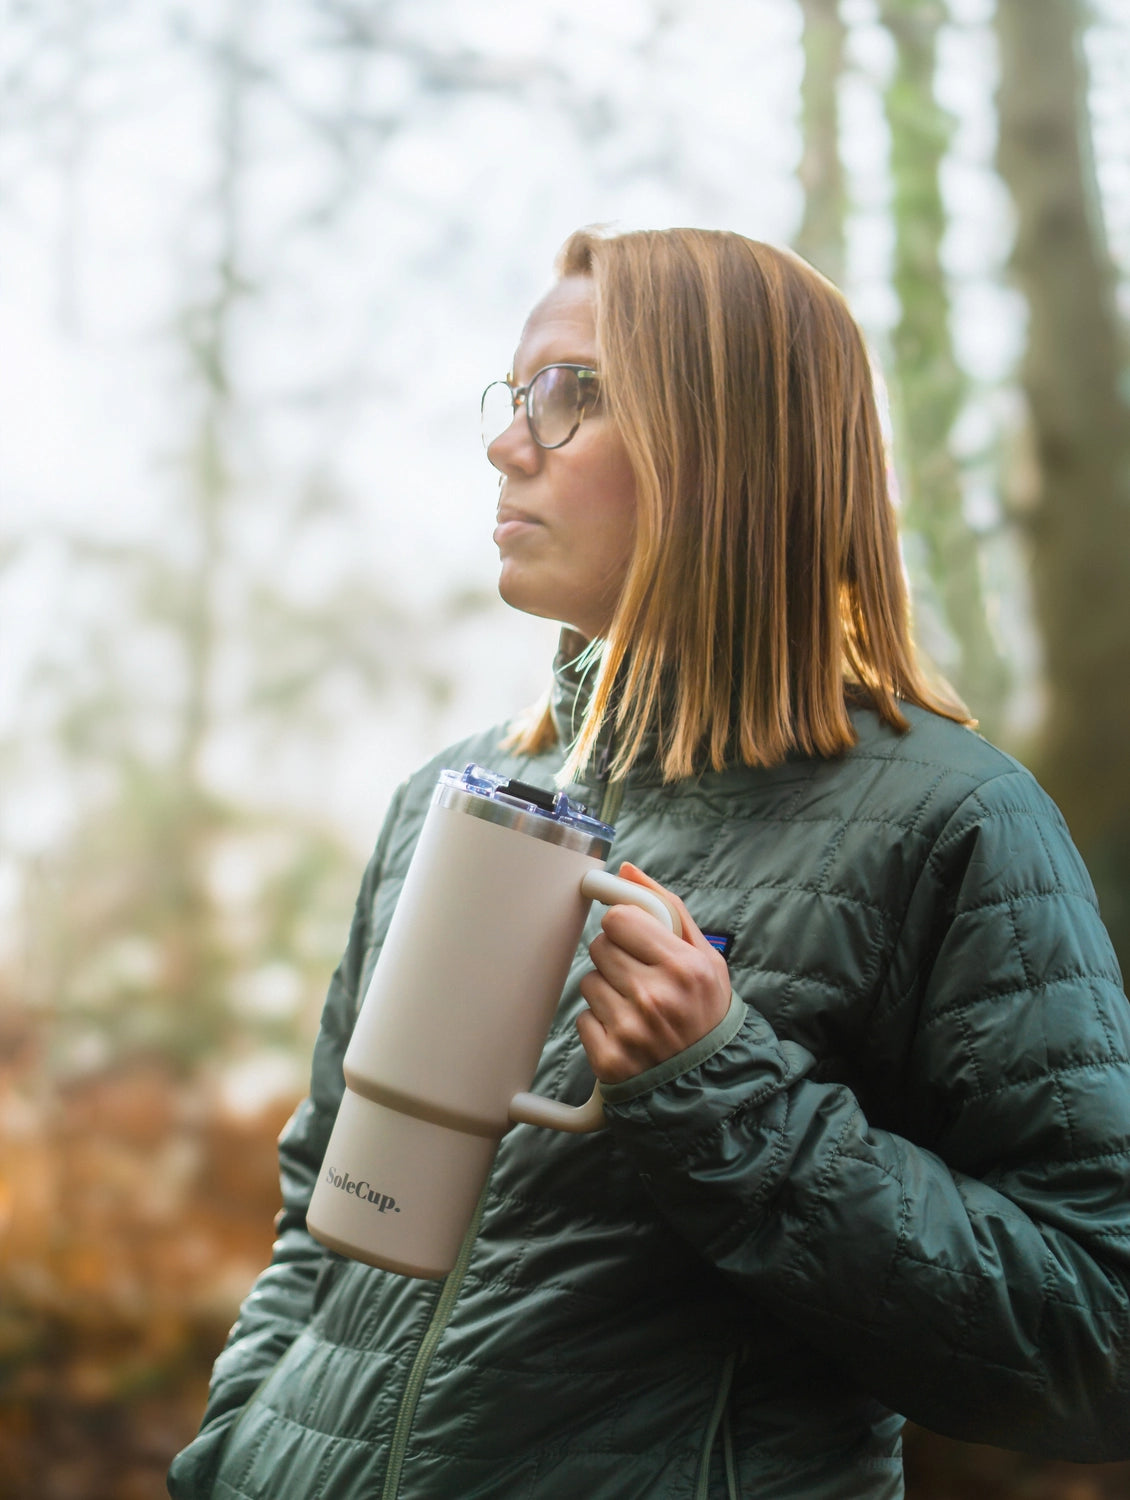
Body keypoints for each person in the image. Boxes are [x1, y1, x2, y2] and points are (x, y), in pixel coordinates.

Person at [168, 227, 1130, 1500]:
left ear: (726, 449)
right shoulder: (446, 801)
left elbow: (1093, 1343)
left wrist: (735, 1103)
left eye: (573, 396)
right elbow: (321, 1210)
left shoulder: (950, 822)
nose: (510, 443)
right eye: (514, 399)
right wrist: (233, 1450)